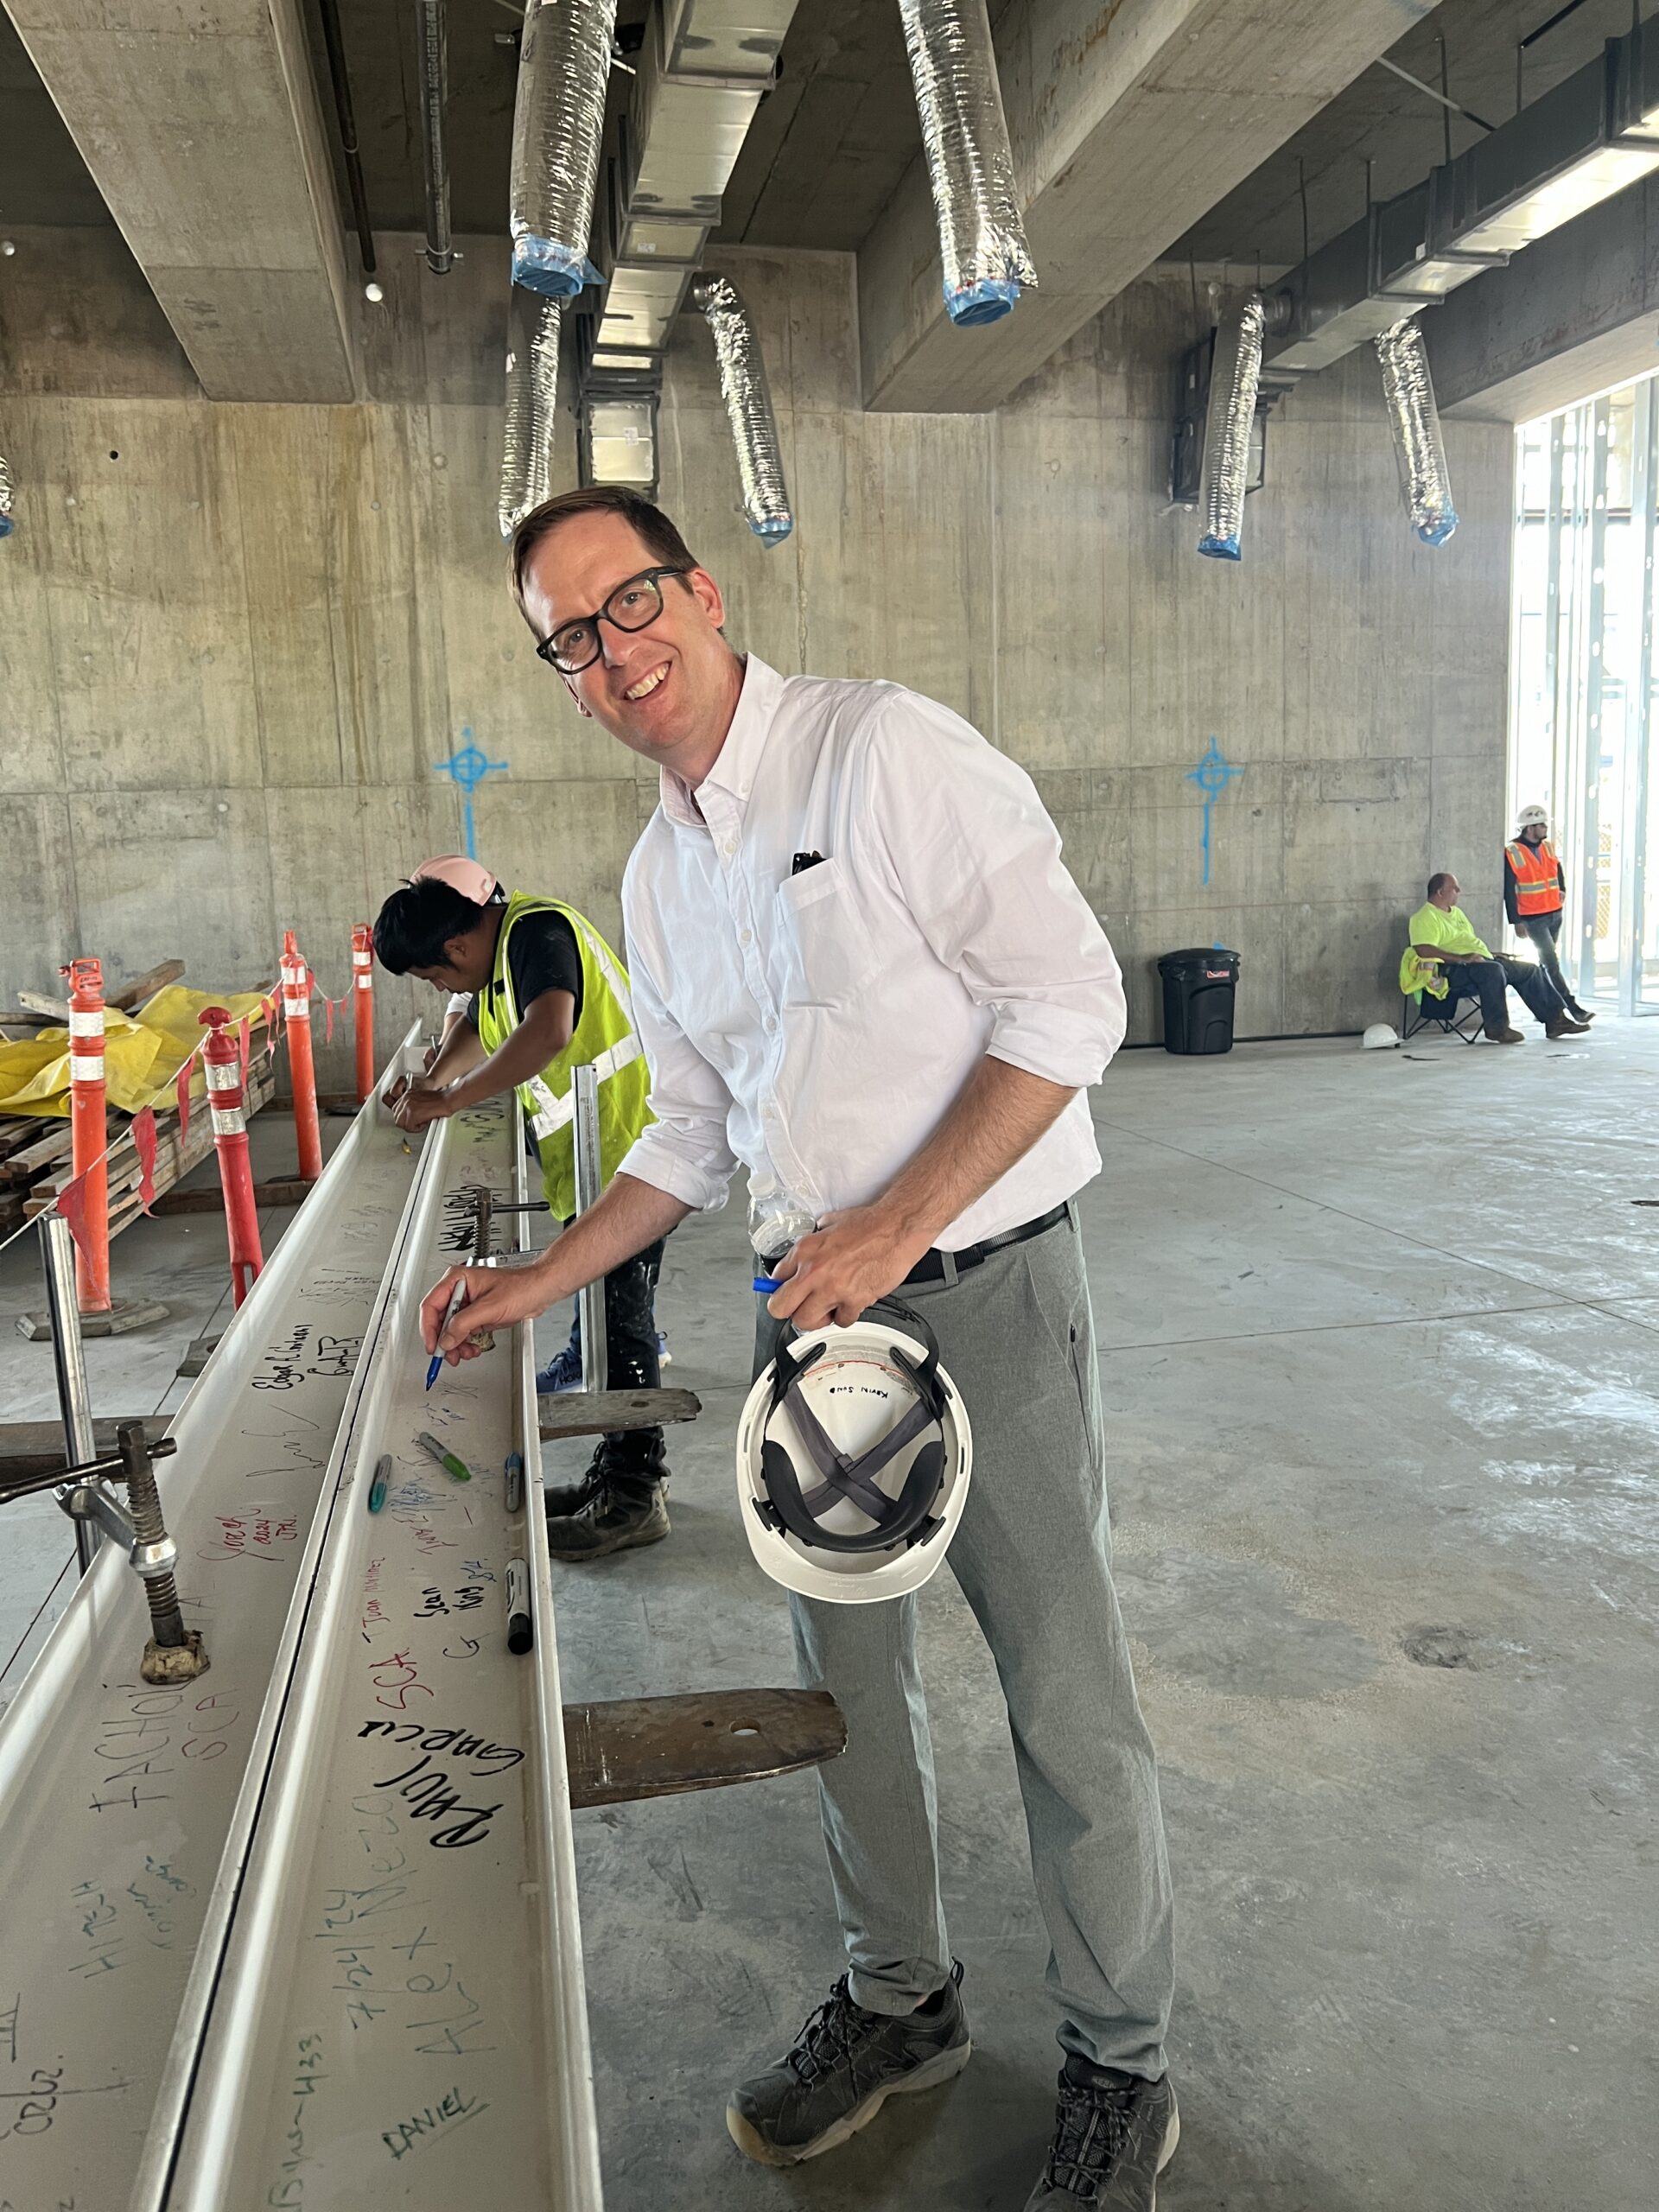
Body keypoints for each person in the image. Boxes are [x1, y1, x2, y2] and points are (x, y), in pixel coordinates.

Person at [421, 487, 1179, 2209]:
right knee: (851, 1695)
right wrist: (543, 1278)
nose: (613, 654)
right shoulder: (657, 869)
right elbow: (686, 1131)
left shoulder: (885, 752)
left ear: (697, 591)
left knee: (1066, 1691)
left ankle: (1121, 2059)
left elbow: (1074, 1000)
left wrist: (901, 1221)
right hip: (808, 1322)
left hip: (984, 1290)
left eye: (628, 606)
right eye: (569, 637)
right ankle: (899, 1998)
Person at [373, 854, 672, 1560]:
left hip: (635, 1150)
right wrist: (432, 1077)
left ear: (456, 946)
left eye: (437, 974)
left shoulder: (537, 931)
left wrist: (449, 1097)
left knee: (624, 1325)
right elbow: (479, 1017)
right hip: (591, 1161)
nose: (444, 986)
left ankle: (637, 1493)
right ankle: (615, 1472)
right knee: (604, 1318)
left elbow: (549, 1032)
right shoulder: (502, 952)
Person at [1407, 871, 1590, 1043]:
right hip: (1452, 969)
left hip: (1478, 963)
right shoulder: (1424, 917)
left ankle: (1556, 1021)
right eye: (1455, 888)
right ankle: (1497, 1028)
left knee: (1529, 970)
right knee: (1494, 970)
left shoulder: (1457, 913)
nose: (1459, 892)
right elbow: (1424, 950)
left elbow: (1467, 941)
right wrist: (1462, 958)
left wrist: (1490, 954)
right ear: (1440, 892)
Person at [1504, 804, 1592, 1023]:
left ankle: (1544, 1010)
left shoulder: (1548, 847)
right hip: (1532, 918)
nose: (1545, 828)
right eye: (1541, 825)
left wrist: (1562, 889)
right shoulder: (1513, 852)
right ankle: (1572, 1008)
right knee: (1550, 963)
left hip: (1554, 913)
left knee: (1547, 964)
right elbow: (1508, 889)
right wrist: (1516, 921)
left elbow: (1556, 869)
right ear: (1529, 828)